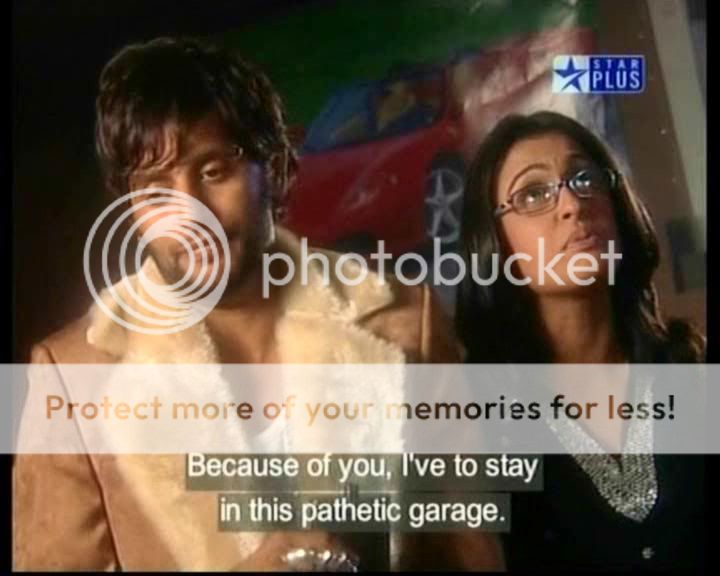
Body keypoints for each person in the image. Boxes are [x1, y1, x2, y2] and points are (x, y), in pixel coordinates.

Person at [13, 37, 503, 571]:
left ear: (273, 169)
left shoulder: (407, 318)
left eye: (213, 171)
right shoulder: (72, 376)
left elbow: (471, 554)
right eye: (157, 190)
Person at [455, 110, 705, 570]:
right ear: (494, 242)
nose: (573, 203)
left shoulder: (695, 372)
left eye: (585, 178)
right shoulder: (468, 413)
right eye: (533, 194)